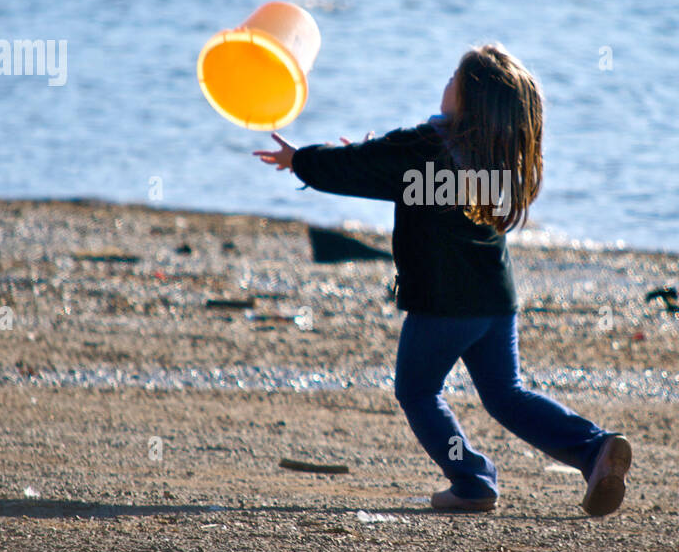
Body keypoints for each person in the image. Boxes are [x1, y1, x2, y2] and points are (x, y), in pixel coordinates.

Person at [254, 43, 630, 515]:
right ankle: (594, 449)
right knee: (507, 395)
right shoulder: (499, 158)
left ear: (470, 99)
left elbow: (363, 167)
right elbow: (377, 169)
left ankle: (471, 480)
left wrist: (302, 160)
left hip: (442, 305)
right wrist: (359, 161)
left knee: (416, 391)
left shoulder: (420, 146)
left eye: (455, 78)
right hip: (495, 301)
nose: (447, 83)